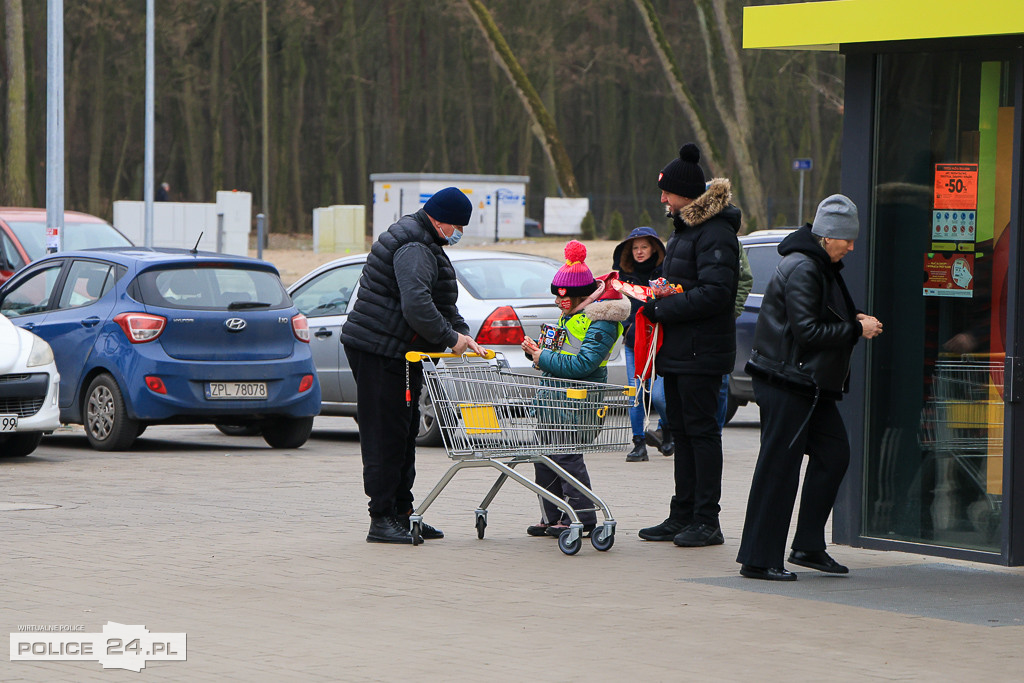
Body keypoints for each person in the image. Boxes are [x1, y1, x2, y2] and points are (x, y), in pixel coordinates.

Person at [736, 195, 883, 581]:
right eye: (847, 240)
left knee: (834, 455)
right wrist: (856, 329)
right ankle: (758, 559)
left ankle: (808, 546)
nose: (852, 247)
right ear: (827, 236)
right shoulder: (804, 267)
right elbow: (808, 332)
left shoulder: (818, 264)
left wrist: (851, 317)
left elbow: (817, 314)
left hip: (805, 384)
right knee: (779, 469)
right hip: (787, 382)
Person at [341, 187, 485, 544]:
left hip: (402, 353)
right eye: (457, 226)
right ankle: (381, 518)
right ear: (439, 219)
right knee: (385, 436)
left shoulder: (426, 241)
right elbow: (417, 305)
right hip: (380, 351)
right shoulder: (415, 247)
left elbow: (442, 301)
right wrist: (449, 338)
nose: (459, 232)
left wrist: (462, 334)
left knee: (404, 434)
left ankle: (403, 514)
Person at [638, 143, 741, 547]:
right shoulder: (685, 231)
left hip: (702, 352)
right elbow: (683, 284)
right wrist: (652, 292)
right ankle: (682, 513)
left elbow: (717, 293)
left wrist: (663, 308)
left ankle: (706, 520)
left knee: (702, 433)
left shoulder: (715, 233)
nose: (663, 199)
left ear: (685, 194)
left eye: (667, 192)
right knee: (681, 433)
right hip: (680, 351)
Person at [521, 240, 630, 537]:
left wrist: (543, 357)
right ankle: (552, 516)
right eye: (557, 296)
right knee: (544, 459)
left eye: (563, 297)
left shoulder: (602, 321)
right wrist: (536, 352)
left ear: (579, 295)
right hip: (554, 400)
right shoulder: (570, 316)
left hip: (577, 403)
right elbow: (559, 352)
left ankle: (582, 518)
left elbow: (584, 364)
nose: (559, 302)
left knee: (567, 459)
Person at [612, 226, 673, 462]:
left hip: (660, 342)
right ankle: (638, 444)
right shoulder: (621, 278)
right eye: (635, 248)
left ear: (654, 249)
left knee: (659, 396)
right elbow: (618, 308)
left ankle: (667, 430)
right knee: (635, 394)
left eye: (644, 247)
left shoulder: (666, 274)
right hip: (634, 343)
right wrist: (627, 327)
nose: (639, 251)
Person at [717, 246, 754, 430]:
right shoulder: (684, 237)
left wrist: (733, 311)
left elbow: (745, 279)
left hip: (721, 327)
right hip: (690, 328)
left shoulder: (729, 240)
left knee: (721, 384)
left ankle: (715, 434)